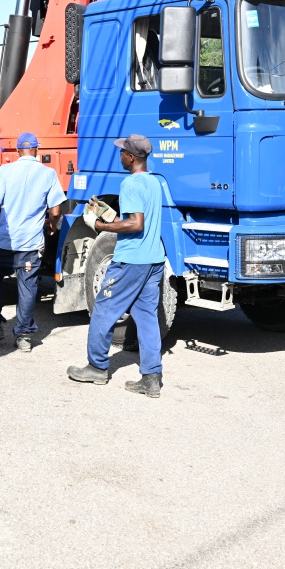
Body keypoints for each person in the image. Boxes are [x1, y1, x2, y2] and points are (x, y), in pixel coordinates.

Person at [67, 134, 167, 397]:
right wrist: (109, 214)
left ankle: (97, 367)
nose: (120, 155)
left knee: (103, 309)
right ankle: (151, 377)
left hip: (131, 260)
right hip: (153, 259)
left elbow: (135, 224)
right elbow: (139, 218)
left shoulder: (131, 183)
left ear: (132, 158)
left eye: (123, 152)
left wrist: (99, 225)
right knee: (146, 317)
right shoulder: (154, 181)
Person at [0, 132, 66, 353]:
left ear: (18, 151)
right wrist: (53, 226)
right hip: (30, 243)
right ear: (37, 150)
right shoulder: (48, 174)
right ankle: (24, 336)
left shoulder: (6, 171)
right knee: (28, 286)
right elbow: (55, 211)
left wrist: (2, 223)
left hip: (3, 240)